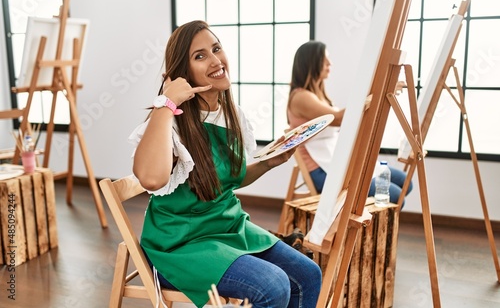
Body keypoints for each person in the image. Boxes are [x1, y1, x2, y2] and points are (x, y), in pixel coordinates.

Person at [129, 20, 322, 308]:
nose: (216, 60)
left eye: (216, 49)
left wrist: (270, 162)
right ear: (182, 73)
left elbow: (229, 178)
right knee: (273, 285)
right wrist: (165, 103)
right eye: (200, 56)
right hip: (181, 246)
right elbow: (150, 178)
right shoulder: (170, 123)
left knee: (308, 274)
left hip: (227, 227)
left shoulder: (232, 114)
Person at [286, 40, 413, 205]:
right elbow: (338, 119)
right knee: (395, 195)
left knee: (405, 183)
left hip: (334, 162)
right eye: (325, 59)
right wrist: (380, 90)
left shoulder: (319, 95)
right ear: (311, 63)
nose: (329, 63)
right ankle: (364, 228)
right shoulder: (301, 97)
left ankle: (363, 226)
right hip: (321, 170)